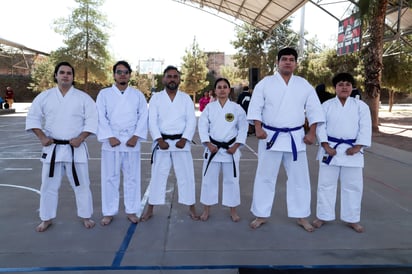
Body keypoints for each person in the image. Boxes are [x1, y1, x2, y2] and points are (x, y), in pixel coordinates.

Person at [246, 47, 325, 231]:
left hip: (296, 138)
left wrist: (312, 133)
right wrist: (258, 127)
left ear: (296, 63)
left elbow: (314, 110)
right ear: (277, 62)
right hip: (270, 136)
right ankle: (261, 214)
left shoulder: (303, 84)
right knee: (265, 177)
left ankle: (301, 216)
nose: (288, 62)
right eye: (284, 59)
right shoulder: (265, 83)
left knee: (299, 179)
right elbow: (256, 106)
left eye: (291, 59)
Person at [25, 61, 98, 232]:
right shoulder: (44, 97)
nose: (65, 75)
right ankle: (46, 218)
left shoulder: (83, 98)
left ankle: (86, 216)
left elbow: (93, 119)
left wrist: (82, 137)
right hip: (53, 149)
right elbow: (33, 117)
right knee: (48, 186)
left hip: (76, 149)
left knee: (82, 184)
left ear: (73, 77)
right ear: (56, 75)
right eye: (62, 72)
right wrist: (41, 136)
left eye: (69, 73)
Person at [313, 72, 371, 233]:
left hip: (352, 151)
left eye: (347, 84)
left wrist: (358, 147)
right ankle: (323, 216)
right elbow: (320, 126)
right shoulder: (326, 105)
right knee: (325, 185)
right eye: (340, 84)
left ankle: (352, 219)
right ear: (335, 88)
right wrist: (325, 145)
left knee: (353, 186)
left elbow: (365, 128)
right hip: (330, 150)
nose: (344, 87)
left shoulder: (361, 107)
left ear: (352, 87)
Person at [141, 65, 199, 221]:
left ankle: (191, 207)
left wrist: (185, 139)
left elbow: (191, 121)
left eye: (175, 76)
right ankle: (150, 209)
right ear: (163, 79)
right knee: (157, 176)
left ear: (179, 79)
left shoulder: (185, 98)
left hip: (181, 142)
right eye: (169, 76)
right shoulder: (156, 98)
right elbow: (152, 121)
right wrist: (159, 140)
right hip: (162, 143)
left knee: (186, 176)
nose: (172, 79)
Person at [96, 61, 148, 226]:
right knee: (110, 178)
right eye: (119, 72)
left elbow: (143, 116)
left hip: (132, 141)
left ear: (130, 74)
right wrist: (109, 136)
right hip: (112, 142)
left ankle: (132, 210)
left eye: (126, 72)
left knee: (132, 178)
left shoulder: (138, 95)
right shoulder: (104, 94)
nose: (122, 75)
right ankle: (109, 212)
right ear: (114, 75)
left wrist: (136, 136)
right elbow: (100, 116)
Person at [198, 78, 248, 222]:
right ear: (215, 90)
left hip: (230, 150)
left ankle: (233, 210)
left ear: (229, 90)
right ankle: (206, 209)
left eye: (225, 87)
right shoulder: (209, 108)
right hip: (212, 149)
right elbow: (202, 127)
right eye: (219, 87)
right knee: (208, 180)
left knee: (232, 180)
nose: (222, 89)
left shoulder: (237, 108)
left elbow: (243, 128)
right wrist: (208, 144)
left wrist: (236, 146)